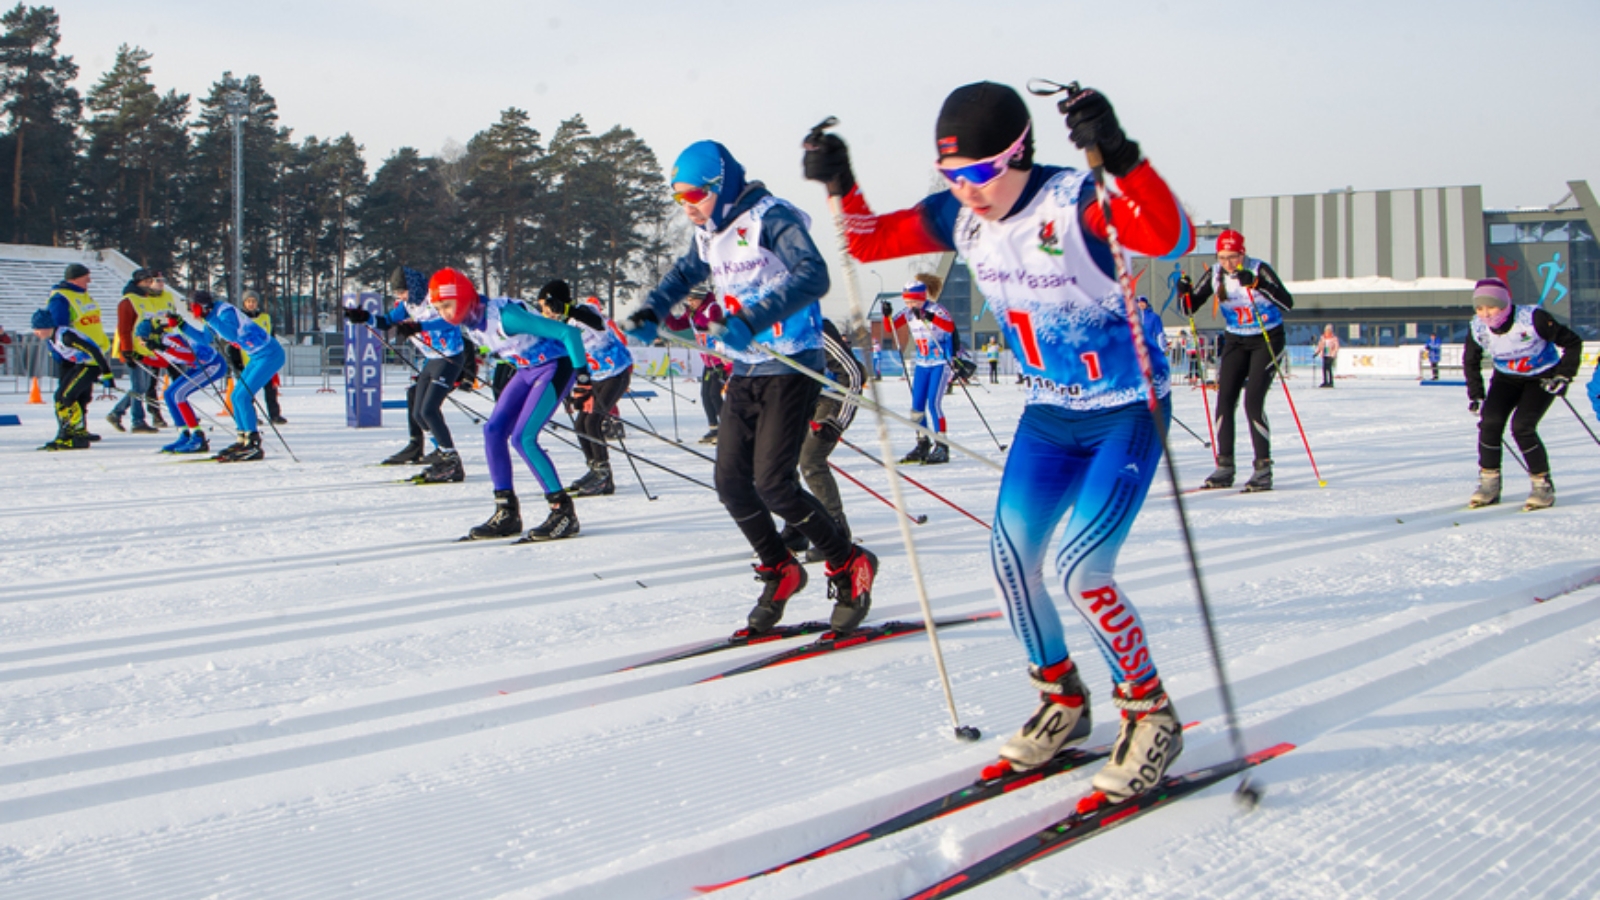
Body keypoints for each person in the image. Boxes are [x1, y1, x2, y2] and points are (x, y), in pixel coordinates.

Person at [803, 81, 1192, 802]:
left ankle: (1151, 714)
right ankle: (1063, 700)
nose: (968, 190)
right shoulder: (961, 215)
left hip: (1126, 408)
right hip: (1050, 413)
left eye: (982, 173)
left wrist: (1122, 154)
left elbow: (1170, 237)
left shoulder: (1077, 199)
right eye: (953, 176)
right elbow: (869, 240)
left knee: (1083, 569)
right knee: (1011, 561)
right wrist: (840, 180)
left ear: (1021, 153)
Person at [622, 139, 878, 636]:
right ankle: (780, 569)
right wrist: (653, 309)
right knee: (731, 484)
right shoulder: (709, 232)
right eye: (678, 198)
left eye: (694, 194)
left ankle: (848, 564)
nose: (687, 206)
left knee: (775, 485)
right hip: (746, 370)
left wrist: (753, 319)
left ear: (721, 185)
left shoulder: (770, 217)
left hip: (791, 365)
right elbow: (683, 274)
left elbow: (813, 275)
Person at [428, 268, 588, 542]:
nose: (443, 313)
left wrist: (583, 379)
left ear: (464, 297)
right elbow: (433, 326)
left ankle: (563, 512)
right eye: (439, 307)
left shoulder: (506, 317)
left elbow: (567, 334)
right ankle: (507, 511)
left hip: (555, 366)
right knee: (493, 431)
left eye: (446, 305)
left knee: (524, 438)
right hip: (528, 370)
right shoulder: (471, 320)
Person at [1178, 229, 1294, 491]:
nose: (1228, 263)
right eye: (1223, 257)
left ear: (1243, 254)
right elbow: (1189, 307)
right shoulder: (1216, 273)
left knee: (1253, 401)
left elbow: (1287, 303)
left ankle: (1263, 467)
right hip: (1236, 340)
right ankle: (1225, 465)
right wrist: (1183, 292)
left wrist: (1257, 283)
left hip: (1267, 339)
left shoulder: (1259, 269)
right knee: (1225, 399)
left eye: (1233, 257)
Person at [1462, 277, 1581, 511]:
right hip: (1506, 378)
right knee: (1490, 423)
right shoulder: (1477, 327)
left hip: (1541, 377)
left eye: (1492, 307)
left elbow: (1573, 343)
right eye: (1480, 308)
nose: (1486, 314)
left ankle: (1541, 485)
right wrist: (1476, 394)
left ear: (1505, 304)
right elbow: (1471, 361)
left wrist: (1563, 376)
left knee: (1522, 427)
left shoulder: (1533, 318)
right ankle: (1489, 483)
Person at [344, 266, 471, 482]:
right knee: (418, 412)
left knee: (430, 409)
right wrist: (364, 316)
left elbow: (449, 320)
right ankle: (440, 452)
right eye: (397, 293)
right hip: (432, 360)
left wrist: (418, 326)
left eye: (402, 291)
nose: (400, 297)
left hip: (450, 357)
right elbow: (385, 322)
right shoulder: (408, 305)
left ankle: (452, 460)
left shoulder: (434, 299)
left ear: (413, 287)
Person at [781, 318, 865, 563]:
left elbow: (854, 373)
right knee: (780, 461)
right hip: (798, 397)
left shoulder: (810, 324)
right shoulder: (766, 326)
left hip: (829, 397)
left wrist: (836, 420)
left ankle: (836, 530)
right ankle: (797, 526)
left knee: (811, 460)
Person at [539, 282, 634, 498]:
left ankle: (603, 474)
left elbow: (597, 323)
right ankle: (594, 469)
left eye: (546, 306)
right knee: (581, 423)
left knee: (593, 421)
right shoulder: (560, 328)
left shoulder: (583, 312)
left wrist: (566, 309)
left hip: (616, 371)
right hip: (595, 377)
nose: (545, 312)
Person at [188, 290, 284, 462]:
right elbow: (205, 338)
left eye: (193, 307)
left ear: (202, 306)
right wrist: (181, 325)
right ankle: (243, 439)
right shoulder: (212, 315)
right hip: (257, 356)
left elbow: (231, 334)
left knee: (242, 397)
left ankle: (253, 443)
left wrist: (208, 317)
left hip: (270, 354)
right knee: (235, 396)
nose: (192, 311)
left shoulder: (224, 311)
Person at [884, 275, 956, 464]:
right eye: (907, 301)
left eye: (914, 301)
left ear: (922, 298)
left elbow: (949, 327)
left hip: (939, 363)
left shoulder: (936, 309)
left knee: (933, 403)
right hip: (922, 364)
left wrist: (929, 317)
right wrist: (886, 315)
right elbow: (890, 327)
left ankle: (941, 445)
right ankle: (922, 442)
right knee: (917, 407)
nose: (910, 305)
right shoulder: (907, 313)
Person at [139, 314, 226, 454]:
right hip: (197, 367)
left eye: (143, 339)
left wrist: (164, 348)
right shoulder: (158, 345)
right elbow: (164, 362)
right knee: (169, 394)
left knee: (179, 394)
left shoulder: (169, 340)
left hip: (212, 364)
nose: (142, 343)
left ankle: (198, 437)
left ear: (153, 335)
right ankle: (184, 434)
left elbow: (190, 355)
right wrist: (140, 358)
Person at [31, 306, 112, 450]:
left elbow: (93, 350)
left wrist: (107, 374)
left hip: (92, 365)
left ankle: (78, 434)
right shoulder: (52, 339)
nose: (35, 332)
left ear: (46, 326)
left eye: (37, 328)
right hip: (81, 365)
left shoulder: (66, 336)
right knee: (59, 397)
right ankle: (64, 433)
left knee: (69, 396)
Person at [45, 263, 110, 441]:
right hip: (73, 355)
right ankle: (67, 429)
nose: (89, 280)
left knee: (84, 394)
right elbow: (59, 327)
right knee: (68, 394)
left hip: (89, 355)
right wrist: (63, 351)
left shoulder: (84, 295)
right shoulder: (61, 297)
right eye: (85, 276)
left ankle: (80, 427)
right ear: (74, 278)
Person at [108, 268, 175, 433]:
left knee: (143, 387)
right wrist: (127, 350)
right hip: (133, 349)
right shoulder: (129, 300)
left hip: (144, 349)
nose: (149, 284)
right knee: (139, 386)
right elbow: (125, 328)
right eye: (146, 282)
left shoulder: (145, 299)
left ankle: (118, 412)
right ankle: (136, 420)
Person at [664, 289, 730, 444]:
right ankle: (714, 428)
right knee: (705, 394)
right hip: (708, 360)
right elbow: (676, 325)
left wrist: (695, 315)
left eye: (693, 300)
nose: (690, 303)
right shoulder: (693, 312)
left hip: (720, 359)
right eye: (689, 300)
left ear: (700, 299)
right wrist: (665, 313)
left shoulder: (712, 308)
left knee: (715, 394)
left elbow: (712, 326)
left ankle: (727, 430)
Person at [240, 291, 287, 425]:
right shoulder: (241, 319)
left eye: (253, 301)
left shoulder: (265, 318)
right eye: (248, 301)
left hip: (266, 360)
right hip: (248, 361)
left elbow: (272, 336)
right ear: (244, 303)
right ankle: (251, 417)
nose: (251, 304)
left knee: (271, 390)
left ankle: (275, 415)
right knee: (248, 392)